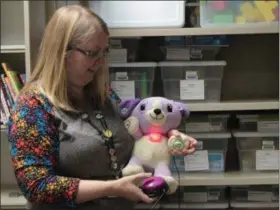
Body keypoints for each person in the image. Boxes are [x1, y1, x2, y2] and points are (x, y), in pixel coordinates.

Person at [7, 5, 197, 210]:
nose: (100, 61)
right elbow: (35, 186)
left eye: (104, 51)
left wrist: (168, 135)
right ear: (62, 51)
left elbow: (136, 125)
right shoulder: (33, 106)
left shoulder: (101, 93)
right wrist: (112, 188)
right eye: (92, 53)